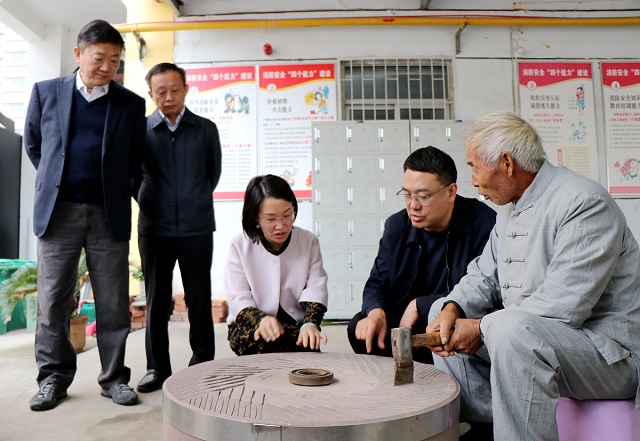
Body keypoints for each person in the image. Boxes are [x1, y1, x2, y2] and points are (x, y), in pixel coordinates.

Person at [427, 111, 640, 441]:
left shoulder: (583, 201)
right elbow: (484, 276)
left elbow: (561, 309)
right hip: (537, 342)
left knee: (510, 331)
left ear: (507, 163)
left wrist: (482, 328)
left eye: (473, 166)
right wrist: (453, 308)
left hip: (610, 357)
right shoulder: (511, 210)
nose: (474, 180)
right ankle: (488, 425)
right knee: (442, 313)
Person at [24, 19, 146, 410]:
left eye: (115, 60)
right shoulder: (46, 93)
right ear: (79, 55)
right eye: (99, 57)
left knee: (112, 303)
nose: (107, 67)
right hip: (58, 214)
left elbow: (135, 161)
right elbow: (35, 145)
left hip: (107, 214)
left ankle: (113, 379)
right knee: (52, 301)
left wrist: (123, 189)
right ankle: (53, 378)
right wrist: (58, 182)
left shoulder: (130, 104)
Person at [348, 146, 496, 364]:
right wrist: (375, 311)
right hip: (405, 324)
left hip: (450, 320)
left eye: (423, 196)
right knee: (359, 326)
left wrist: (421, 304)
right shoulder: (397, 226)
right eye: (407, 195)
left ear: (451, 192)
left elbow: (487, 292)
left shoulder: (484, 224)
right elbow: (376, 282)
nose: (413, 206)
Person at [135, 63, 222, 393]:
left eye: (174, 90)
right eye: (161, 92)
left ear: (186, 89)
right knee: (157, 299)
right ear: (151, 94)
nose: (168, 97)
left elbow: (211, 175)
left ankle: (202, 364)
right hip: (154, 226)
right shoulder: (141, 131)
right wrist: (148, 198)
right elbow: (132, 175)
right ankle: (156, 368)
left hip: (197, 226)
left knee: (199, 297)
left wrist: (193, 199)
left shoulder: (205, 129)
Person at [224, 174, 329, 355]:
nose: (281, 225)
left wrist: (310, 324)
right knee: (257, 339)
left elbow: (316, 287)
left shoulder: (308, 241)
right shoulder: (239, 247)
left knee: (304, 339)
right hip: (253, 324)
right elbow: (238, 297)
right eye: (271, 219)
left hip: (295, 323)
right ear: (255, 217)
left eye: (287, 215)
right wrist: (261, 320)